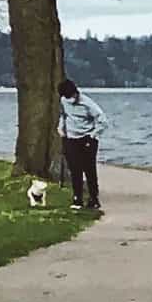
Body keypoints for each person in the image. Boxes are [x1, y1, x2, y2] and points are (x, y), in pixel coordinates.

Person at [58, 76, 105, 215]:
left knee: (89, 169)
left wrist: (93, 135)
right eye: (66, 97)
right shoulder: (64, 100)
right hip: (71, 138)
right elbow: (64, 115)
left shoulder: (87, 103)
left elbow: (102, 120)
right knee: (75, 169)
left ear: (75, 92)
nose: (69, 99)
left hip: (87, 139)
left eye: (71, 96)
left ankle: (93, 198)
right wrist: (61, 128)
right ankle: (77, 197)